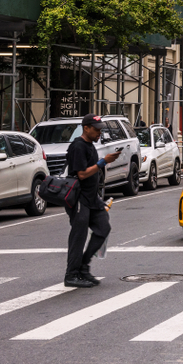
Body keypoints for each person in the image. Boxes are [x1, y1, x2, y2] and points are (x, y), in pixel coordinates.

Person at [65, 114, 122, 288]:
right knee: (79, 236)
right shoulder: (78, 146)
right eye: (96, 129)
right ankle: (71, 274)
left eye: (100, 130)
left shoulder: (90, 145)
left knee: (103, 227)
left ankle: (83, 266)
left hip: (92, 197)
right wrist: (102, 162)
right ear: (86, 128)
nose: (99, 133)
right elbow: (81, 174)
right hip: (80, 197)